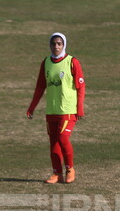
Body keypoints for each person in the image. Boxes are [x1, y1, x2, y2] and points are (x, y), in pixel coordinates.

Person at [26, 33, 86, 184]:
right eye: (53, 44)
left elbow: (81, 86)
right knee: (53, 141)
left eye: (59, 43)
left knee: (63, 138)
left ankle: (70, 169)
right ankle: (56, 173)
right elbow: (40, 86)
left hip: (67, 109)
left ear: (64, 44)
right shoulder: (46, 62)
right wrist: (32, 107)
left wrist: (79, 108)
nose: (56, 46)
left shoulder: (72, 62)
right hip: (51, 110)